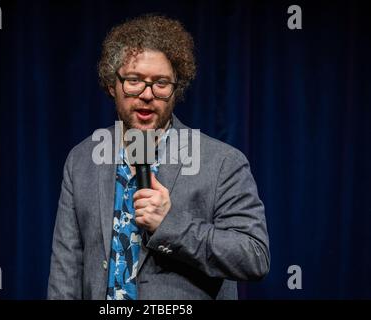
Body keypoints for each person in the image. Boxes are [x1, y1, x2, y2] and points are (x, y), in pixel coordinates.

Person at [47, 14, 270, 300]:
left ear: (177, 90)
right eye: (134, 81)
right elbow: (66, 269)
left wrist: (170, 224)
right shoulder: (82, 160)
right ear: (111, 84)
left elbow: (254, 257)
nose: (147, 94)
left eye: (161, 83)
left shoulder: (222, 162)